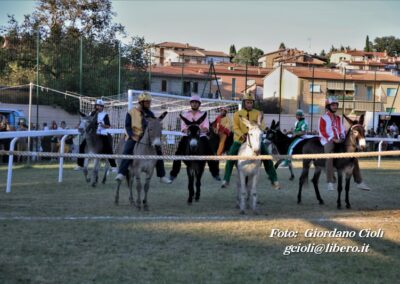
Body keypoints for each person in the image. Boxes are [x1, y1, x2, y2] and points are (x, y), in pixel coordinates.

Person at [221, 92, 280, 189]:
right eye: (247, 102)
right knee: (231, 156)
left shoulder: (257, 113)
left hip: (255, 139)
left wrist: (265, 129)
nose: (249, 104)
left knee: (267, 157)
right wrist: (242, 135)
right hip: (240, 140)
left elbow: (261, 125)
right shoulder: (237, 114)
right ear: (244, 103)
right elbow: (235, 127)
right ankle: (226, 179)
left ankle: (274, 180)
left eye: (251, 102)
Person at [115, 92, 172, 184]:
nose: (149, 104)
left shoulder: (150, 113)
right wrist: (132, 136)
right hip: (133, 136)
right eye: (147, 102)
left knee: (158, 151)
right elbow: (127, 126)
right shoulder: (131, 112)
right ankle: (121, 173)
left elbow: (153, 124)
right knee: (127, 150)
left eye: (149, 102)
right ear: (141, 102)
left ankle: (162, 176)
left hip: (147, 137)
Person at [319, 97, 371, 191]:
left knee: (353, 157)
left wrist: (343, 136)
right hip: (327, 140)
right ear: (328, 106)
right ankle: (330, 182)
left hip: (340, 139)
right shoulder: (323, 118)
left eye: (336, 105)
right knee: (329, 156)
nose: (335, 107)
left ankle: (359, 182)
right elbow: (322, 131)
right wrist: (333, 139)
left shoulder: (338, 118)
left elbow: (342, 129)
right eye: (333, 105)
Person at [169, 95, 221, 182]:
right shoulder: (186, 114)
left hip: (201, 136)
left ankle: (215, 173)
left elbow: (206, 128)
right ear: (190, 104)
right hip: (187, 137)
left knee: (210, 152)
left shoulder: (203, 115)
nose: (194, 104)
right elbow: (183, 128)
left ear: (199, 104)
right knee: (178, 153)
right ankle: (173, 174)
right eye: (193, 102)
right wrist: (190, 130)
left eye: (196, 103)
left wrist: (198, 129)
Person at [75, 99, 117, 172]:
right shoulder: (91, 113)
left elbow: (108, 125)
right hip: (92, 134)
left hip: (102, 133)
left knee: (108, 147)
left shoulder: (105, 115)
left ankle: (113, 166)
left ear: (102, 107)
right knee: (82, 145)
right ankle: (80, 165)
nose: (98, 107)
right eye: (97, 105)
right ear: (95, 106)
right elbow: (87, 122)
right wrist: (80, 126)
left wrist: (103, 125)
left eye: (100, 106)